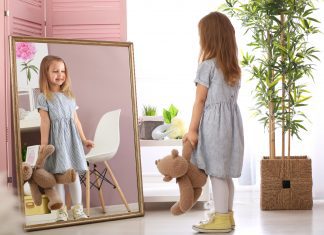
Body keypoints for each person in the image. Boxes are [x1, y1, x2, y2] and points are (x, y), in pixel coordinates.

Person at [183, 11, 244, 233]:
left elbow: (200, 99)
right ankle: (227, 215)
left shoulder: (207, 66)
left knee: (217, 173)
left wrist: (191, 130)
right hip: (232, 126)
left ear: (209, 38)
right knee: (225, 173)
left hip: (214, 126)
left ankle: (221, 218)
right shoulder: (233, 69)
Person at [37, 55, 94, 221]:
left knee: (72, 175)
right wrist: (44, 144)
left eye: (62, 71)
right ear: (45, 74)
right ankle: (61, 210)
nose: (60, 74)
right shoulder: (44, 97)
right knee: (58, 176)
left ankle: (78, 209)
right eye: (55, 71)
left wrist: (84, 140)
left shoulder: (69, 96)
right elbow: (45, 122)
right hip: (56, 142)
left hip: (71, 142)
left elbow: (75, 120)